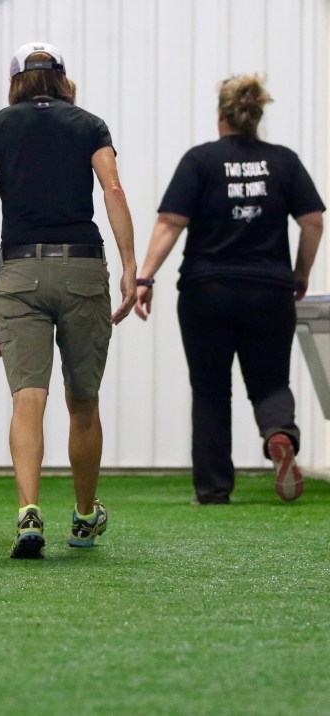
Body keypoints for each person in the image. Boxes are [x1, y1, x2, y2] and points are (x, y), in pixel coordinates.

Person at [0, 42, 137, 559]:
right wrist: (130, 265)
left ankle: (28, 513)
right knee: (83, 401)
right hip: (83, 269)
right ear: (61, 79)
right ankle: (84, 517)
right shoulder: (90, 125)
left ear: (17, 81)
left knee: (27, 399)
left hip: (20, 271)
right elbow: (114, 192)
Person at [135, 74, 325, 505]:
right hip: (269, 291)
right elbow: (313, 220)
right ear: (256, 116)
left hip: (206, 291)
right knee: (270, 381)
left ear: (222, 115)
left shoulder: (200, 160)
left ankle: (213, 487)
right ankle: (279, 434)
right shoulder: (284, 162)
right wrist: (299, 273)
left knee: (210, 390)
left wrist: (145, 277)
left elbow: (170, 222)